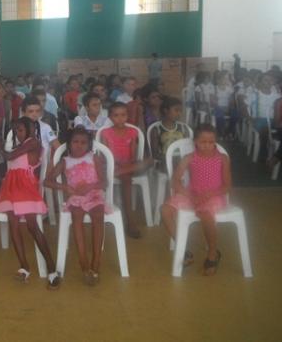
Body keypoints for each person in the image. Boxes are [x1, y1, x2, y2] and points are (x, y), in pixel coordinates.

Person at [0, 117, 60, 289]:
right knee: (13, 224)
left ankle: (52, 269)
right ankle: (24, 266)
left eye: (21, 129)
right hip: (10, 188)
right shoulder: (21, 145)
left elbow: (9, 156)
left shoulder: (33, 143)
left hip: (25, 188)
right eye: (16, 130)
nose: (18, 133)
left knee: (32, 226)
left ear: (30, 129)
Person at [161, 124, 231, 275]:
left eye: (211, 142)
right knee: (165, 210)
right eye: (203, 142)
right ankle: (183, 249)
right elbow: (175, 181)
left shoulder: (222, 158)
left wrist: (208, 195)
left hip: (214, 196)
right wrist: (189, 195)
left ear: (216, 142)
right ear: (196, 143)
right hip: (192, 194)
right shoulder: (190, 158)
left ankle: (213, 254)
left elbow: (227, 186)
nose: (207, 146)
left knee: (205, 214)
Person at [44, 128, 106, 285]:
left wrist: (91, 187)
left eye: (84, 142)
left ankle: (96, 262)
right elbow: (47, 181)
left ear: (89, 144)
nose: (79, 145)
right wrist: (65, 188)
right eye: (75, 142)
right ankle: (83, 262)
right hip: (76, 197)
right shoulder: (65, 161)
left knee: (98, 216)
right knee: (76, 217)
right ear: (69, 144)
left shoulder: (94, 158)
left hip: (94, 194)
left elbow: (104, 182)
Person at [99, 103, 152, 239]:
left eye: (123, 115)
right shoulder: (106, 133)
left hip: (129, 166)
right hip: (112, 165)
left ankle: (119, 173)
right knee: (126, 178)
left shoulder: (132, 132)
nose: (120, 118)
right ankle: (131, 222)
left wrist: (128, 165)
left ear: (127, 116)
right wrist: (119, 166)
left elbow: (134, 156)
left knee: (149, 160)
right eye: (116, 115)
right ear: (110, 117)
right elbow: (106, 155)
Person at [149, 97, 190, 172]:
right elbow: (155, 154)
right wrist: (170, 159)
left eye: (180, 111)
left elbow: (188, 149)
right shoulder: (157, 130)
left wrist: (181, 160)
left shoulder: (183, 129)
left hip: (181, 162)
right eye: (176, 110)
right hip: (165, 162)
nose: (179, 113)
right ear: (166, 111)